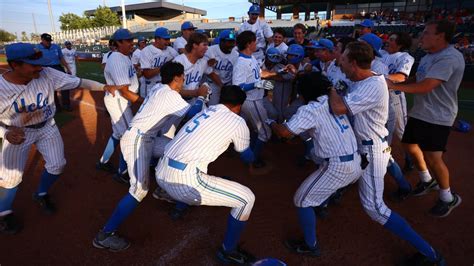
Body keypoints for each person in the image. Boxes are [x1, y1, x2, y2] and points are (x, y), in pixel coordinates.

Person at [328, 41, 445, 265]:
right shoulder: (362, 79)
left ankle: (431, 255)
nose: (339, 64)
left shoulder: (373, 84)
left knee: (375, 208)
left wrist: (332, 88)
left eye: (342, 61)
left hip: (372, 151)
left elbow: (338, 108)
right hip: (368, 146)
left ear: (353, 63)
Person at [0, 43, 122, 234]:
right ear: (15, 65)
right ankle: (3, 212)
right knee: (11, 177)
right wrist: (5, 133)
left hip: (47, 126)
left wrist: (104, 86)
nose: (40, 67)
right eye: (33, 64)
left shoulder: (47, 73)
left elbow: (78, 82)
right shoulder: (1, 88)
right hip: (19, 133)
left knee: (58, 165)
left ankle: (41, 193)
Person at [92, 61, 207, 252]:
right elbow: (192, 114)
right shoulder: (170, 94)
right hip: (138, 140)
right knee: (139, 190)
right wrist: (202, 96)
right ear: (177, 78)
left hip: (147, 137)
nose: (184, 79)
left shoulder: (159, 87)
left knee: (175, 151)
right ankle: (105, 234)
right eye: (183, 76)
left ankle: (163, 188)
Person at [155, 85, 257, 264]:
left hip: (160, 171)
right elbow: (246, 155)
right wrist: (256, 160)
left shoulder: (205, 111)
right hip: (184, 182)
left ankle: (179, 207)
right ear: (239, 106)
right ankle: (228, 251)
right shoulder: (238, 121)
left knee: (208, 168)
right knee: (246, 199)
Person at [268, 72, 361, 257]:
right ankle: (323, 202)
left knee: (301, 201)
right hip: (356, 162)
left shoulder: (309, 109)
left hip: (338, 168)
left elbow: (285, 133)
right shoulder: (335, 102)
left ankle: (310, 246)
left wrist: (271, 123)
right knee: (316, 159)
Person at [386, 20, 465, 217]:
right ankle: (426, 179)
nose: (422, 37)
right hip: (421, 111)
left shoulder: (450, 58)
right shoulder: (429, 56)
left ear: (441, 36)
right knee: (409, 145)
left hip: (438, 115)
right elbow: (418, 80)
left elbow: (426, 86)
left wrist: (392, 87)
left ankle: (448, 197)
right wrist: (395, 80)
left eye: (427, 33)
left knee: (433, 157)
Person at [95, 29, 139, 184]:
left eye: (131, 40)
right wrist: (142, 101)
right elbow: (125, 91)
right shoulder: (117, 59)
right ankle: (122, 172)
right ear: (118, 43)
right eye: (128, 41)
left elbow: (129, 81)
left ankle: (103, 162)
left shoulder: (124, 56)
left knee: (117, 134)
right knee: (129, 136)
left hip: (120, 100)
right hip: (119, 101)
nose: (131, 43)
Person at [233, 31, 275, 167]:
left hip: (254, 99)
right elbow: (237, 87)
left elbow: (260, 74)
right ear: (248, 44)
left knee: (253, 130)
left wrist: (278, 72)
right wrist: (256, 84)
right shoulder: (241, 62)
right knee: (265, 133)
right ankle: (253, 160)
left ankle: (248, 153)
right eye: (254, 41)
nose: (256, 43)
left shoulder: (251, 57)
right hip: (251, 101)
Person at [382, 32, 416, 173]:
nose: (387, 41)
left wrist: (377, 78)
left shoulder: (406, 57)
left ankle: (410, 158)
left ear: (400, 44)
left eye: (391, 39)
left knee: (402, 133)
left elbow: (401, 77)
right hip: (380, 99)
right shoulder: (382, 54)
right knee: (384, 134)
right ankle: (385, 159)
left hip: (395, 99)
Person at [173, 33, 222, 102]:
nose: (207, 48)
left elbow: (212, 74)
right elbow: (173, 90)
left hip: (195, 100)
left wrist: (223, 86)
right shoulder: (178, 61)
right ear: (195, 45)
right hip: (179, 102)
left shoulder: (203, 61)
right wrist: (197, 92)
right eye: (204, 45)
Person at [36, 33, 72, 112]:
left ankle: (66, 104)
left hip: (57, 67)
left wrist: (68, 68)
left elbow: (61, 58)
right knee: (51, 89)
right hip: (45, 69)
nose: (49, 42)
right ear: (42, 40)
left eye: (50, 41)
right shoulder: (37, 48)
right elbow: (35, 60)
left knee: (65, 85)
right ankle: (56, 106)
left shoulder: (56, 46)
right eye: (47, 41)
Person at [139, 27, 178, 98]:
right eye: (165, 39)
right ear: (157, 39)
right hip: (150, 87)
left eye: (168, 39)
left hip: (164, 87)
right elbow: (147, 74)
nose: (168, 42)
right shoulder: (147, 51)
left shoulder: (171, 51)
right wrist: (164, 66)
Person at [204, 30, 239, 105]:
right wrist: (221, 86)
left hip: (228, 84)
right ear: (221, 41)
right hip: (213, 84)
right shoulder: (210, 50)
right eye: (229, 42)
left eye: (233, 42)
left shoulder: (235, 54)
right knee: (213, 106)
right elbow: (209, 72)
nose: (232, 44)